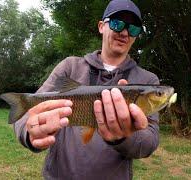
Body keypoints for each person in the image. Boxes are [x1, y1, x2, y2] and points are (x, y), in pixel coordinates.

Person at [14, 0, 160, 179]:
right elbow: (25, 116)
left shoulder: (147, 81)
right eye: (117, 23)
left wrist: (122, 138)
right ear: (101, 26)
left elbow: (150, 142)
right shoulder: (70, 66)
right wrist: (30, 134)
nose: (124, 32)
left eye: (133, 28)